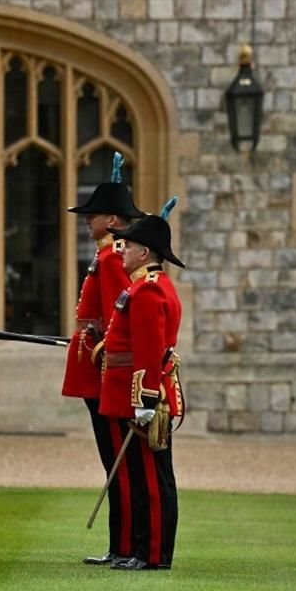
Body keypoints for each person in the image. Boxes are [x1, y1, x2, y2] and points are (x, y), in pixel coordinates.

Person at [61, 153, 145, 567]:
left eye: (92, 215)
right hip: (97, 369)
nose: (85, 219)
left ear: (111, 220)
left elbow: (117, 317)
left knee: (120, 465)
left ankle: (127, 545)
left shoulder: (112, 257)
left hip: (105, 374)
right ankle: (120, 545)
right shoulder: (105, 254)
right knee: (114, 462)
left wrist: (96, 347)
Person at [98, 198, 184, 571]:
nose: (122, 252)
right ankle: (142, 550)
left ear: (144, 251)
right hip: (134, 392)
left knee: (151, 478)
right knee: (144, 474)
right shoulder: (146, 286)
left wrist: (146, 399)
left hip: (144, 395)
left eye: (128, 246)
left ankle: (151, 554)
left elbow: (150, 350)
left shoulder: (148, 290)